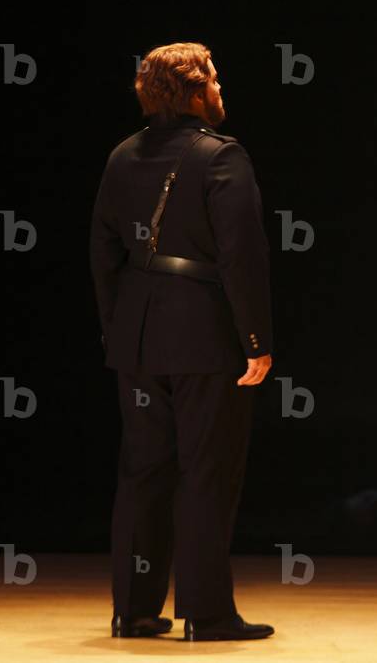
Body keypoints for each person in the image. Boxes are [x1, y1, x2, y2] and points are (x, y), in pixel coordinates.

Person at [89, 42, 275, 640]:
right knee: (206, 471)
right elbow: (242, 257)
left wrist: (119, 327)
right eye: (214, 79)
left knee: (142, 472)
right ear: (194, 92)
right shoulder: (223, 156)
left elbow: (103, 252)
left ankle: (133, 610)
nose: (220, 88)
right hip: (205, 334)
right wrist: (255, 338)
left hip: (138, 334)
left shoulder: (121, 156)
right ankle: (207, 613)